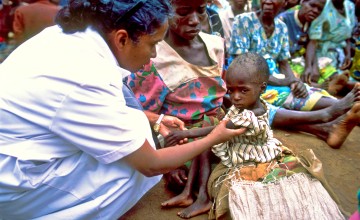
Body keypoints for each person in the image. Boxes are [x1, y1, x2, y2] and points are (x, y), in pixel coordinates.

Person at [0, 0, 248, 218]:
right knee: (133, 171)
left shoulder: (71, 36)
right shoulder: (86, 75)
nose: (152, 56)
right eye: (153, 45)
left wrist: (153, 119)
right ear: (122, 38)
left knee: (136, 128)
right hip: (13, 184)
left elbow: (99, 109)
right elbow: (151, 164)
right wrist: (215, 137)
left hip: (18, 145)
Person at [166, 52, 348, 219]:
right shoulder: (245, 104)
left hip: (249, 151)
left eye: (242, 90)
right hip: (238, 142)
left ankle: (202, 198)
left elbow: (218, 130)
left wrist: (187, 133)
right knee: (203, 147)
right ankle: (189, 193)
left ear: (262, 88)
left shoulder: (252, 113)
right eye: (231, 90)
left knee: (204, 145)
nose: (235, 96)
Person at [126, 0, 227, 218]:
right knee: (214, 176)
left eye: (201, 11)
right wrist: (168, 162)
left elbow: (224, 94)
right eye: (183, 12)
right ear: (165, 14)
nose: (194, 20)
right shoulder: (153, 59)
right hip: (181, 135)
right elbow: (143, 117)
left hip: (218, 127)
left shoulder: (216, 45)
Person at [229, 0, 347, 112]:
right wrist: (285, 82)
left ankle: (343, 107)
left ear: (284, 2)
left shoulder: (281, 27)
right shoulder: (243, 21)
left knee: (305, 91)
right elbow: (244, 68)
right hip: (248, 84)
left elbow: (284, 62)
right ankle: (343, 107)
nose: (268, 1)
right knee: (288, 96)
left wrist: (294, 82)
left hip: (275, 79)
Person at [304, 0, 356, 88]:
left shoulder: (350, 6)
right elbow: (313, 41)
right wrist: (310, 66)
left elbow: (347, 34)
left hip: (340, 55)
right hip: (322, 54)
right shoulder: (323, 6)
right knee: (337, 80)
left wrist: (348, 54)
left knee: (343, 80)